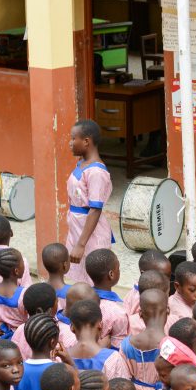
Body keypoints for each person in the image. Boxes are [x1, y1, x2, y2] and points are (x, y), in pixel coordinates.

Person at [66, 119, 113, 285]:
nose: (70, 143)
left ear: (86, 141)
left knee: (94, 279)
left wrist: (81, 244)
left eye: (73, 138)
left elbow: (95, 209)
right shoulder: (81, 164)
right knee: (80, 279)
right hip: (77, 229)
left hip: (90, 235)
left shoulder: (96, 172)